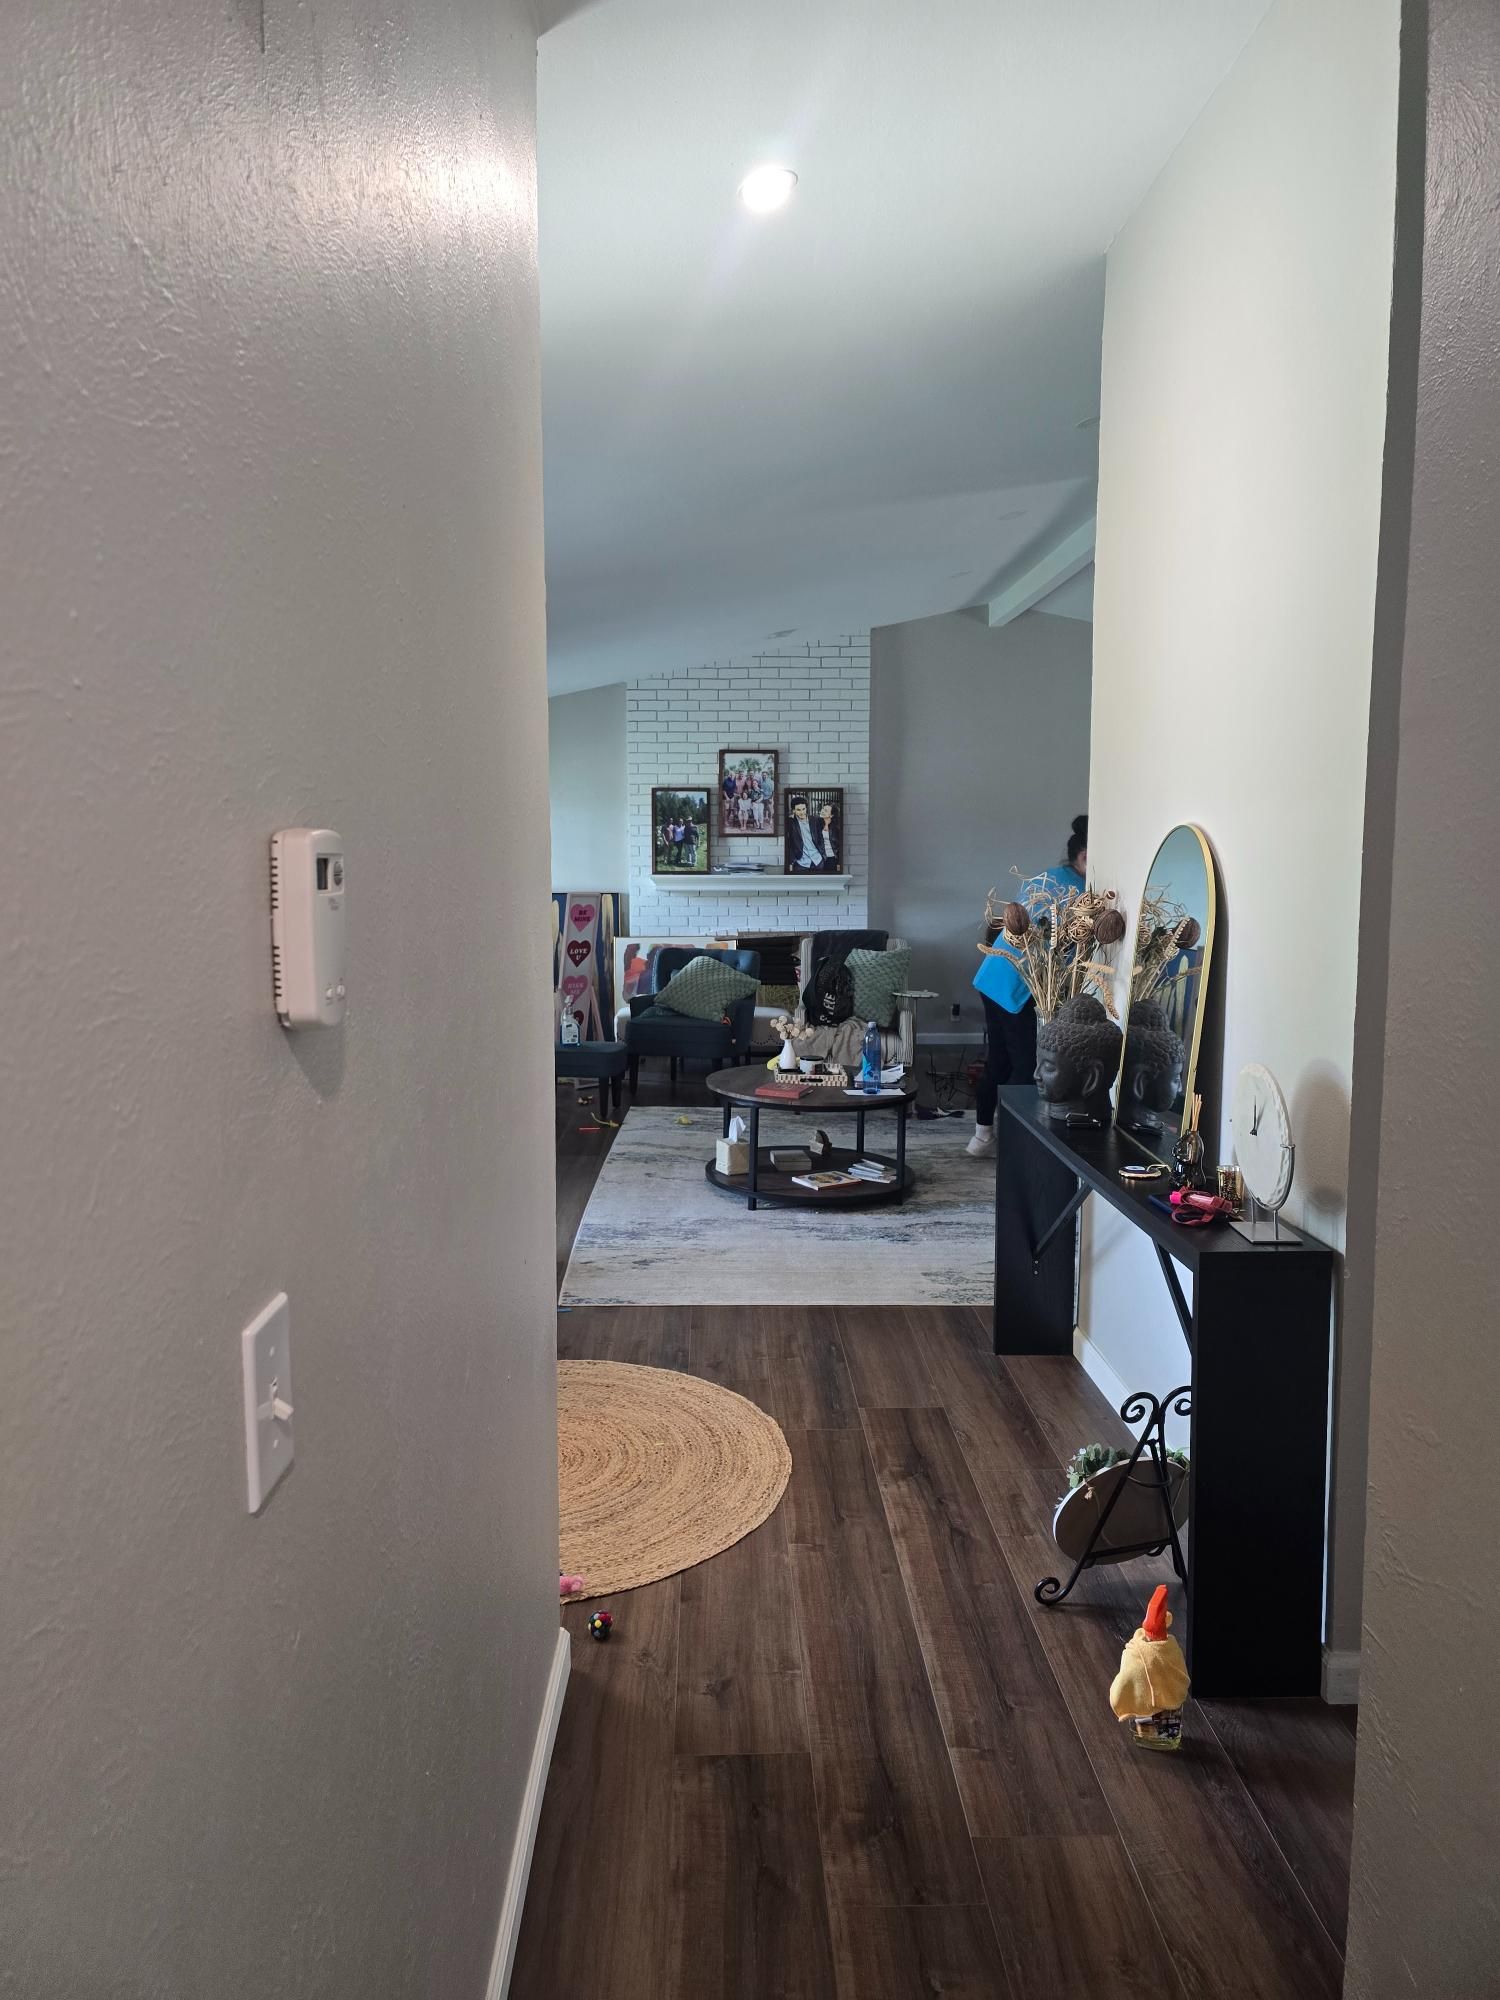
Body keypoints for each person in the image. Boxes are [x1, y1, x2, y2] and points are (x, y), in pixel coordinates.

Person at [967, 813, 1088, 1157]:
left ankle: (983, 1136)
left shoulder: (1046, 877)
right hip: (1019, 984)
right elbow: (1056, 945)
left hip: (993, 974)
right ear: (1085, 856)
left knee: (999, 1060)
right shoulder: (1079, 891)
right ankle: (1016, 1144)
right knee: (1025, 1064)